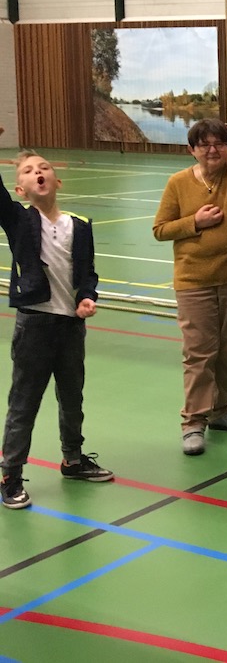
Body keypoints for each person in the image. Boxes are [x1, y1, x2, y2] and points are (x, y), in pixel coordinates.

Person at [152, 97, 227, 456]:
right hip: (195, 281)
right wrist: (195, 223)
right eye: (204, 145)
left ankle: (221, 409)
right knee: (199, 353)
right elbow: (160, 229)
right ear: (192, 150)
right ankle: (193, 421)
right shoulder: (177, 183)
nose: (213, 150)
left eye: (219, 143)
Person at [1, 137, 112, 510]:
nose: (38, 172)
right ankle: (10, 475)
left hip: (70, 327)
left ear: (57, 180)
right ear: (21, 189)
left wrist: (87, 297)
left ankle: (73, 460)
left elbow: (88, 273)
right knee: (24, 403)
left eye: (44, 167)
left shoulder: (79, 225)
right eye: (28, 171)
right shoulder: (19, 220)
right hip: (34, 327)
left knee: (72, 397)